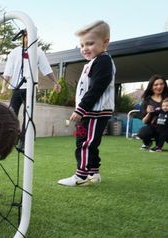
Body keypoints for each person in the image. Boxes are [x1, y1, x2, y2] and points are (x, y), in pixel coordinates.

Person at [57, 20, 115, 187]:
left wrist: (81, 109)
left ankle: (81, 176)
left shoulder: (103, 61)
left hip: (94, 111)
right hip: (91, 112)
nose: (84, 48)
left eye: (90, 43)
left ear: (105, 42)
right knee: (90, 142)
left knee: (85, 143)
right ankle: (93, 172)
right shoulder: (94, 62)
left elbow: (97, 88)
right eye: (82, 45)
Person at [1, 30, 61, 149]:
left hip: (31, 89)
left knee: (28, 116)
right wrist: (3, 87)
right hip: (16, 88)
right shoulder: (14, 52)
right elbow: (8, 71)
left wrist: (56, 82)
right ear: (23, 37)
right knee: (12, 114)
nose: (31, 38)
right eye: (28, 36)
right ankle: (11, 139)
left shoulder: (39, 52)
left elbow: (46, 69)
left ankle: (24, 142)